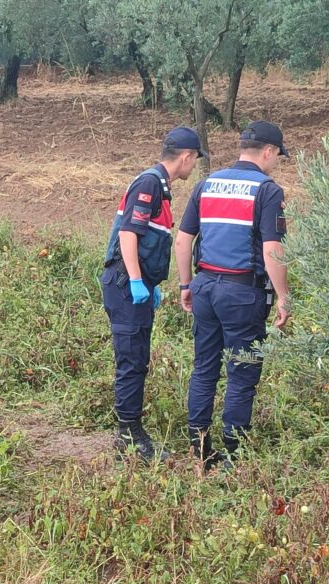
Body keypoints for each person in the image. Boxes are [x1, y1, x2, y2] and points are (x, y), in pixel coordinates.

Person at [174, 120, 292, 470]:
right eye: (276, 156)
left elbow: (183, 240)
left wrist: (185, 285)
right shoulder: (268, 191)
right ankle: (232, 455)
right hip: (242, 292)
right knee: (242, 372)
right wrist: (284, 296)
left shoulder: (206, 184)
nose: (275, 163)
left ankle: (199, 449)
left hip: (205, 287)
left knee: (204, 368)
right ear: (268, 152)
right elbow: (272, 248)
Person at [100, 127, 207, 461]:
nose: (194, 169)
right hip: (124, 285)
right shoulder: (149, 183)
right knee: (131, 360)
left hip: (138, 285)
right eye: (195, 161)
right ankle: (128, 436)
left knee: (138, 358)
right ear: (187, 157)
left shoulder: (161, 187)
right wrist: (135, 280)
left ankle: (132, 431)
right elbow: (129, 235)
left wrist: (151, 284)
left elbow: (148, 242)